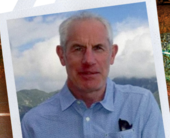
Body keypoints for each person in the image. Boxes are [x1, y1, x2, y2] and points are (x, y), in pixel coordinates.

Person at [21, 12, 165, 138]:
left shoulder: (142, 104)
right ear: (62, 55)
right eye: (78, 49)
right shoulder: (33, 124)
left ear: (112, 54)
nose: (88, 60)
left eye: (98, 48)